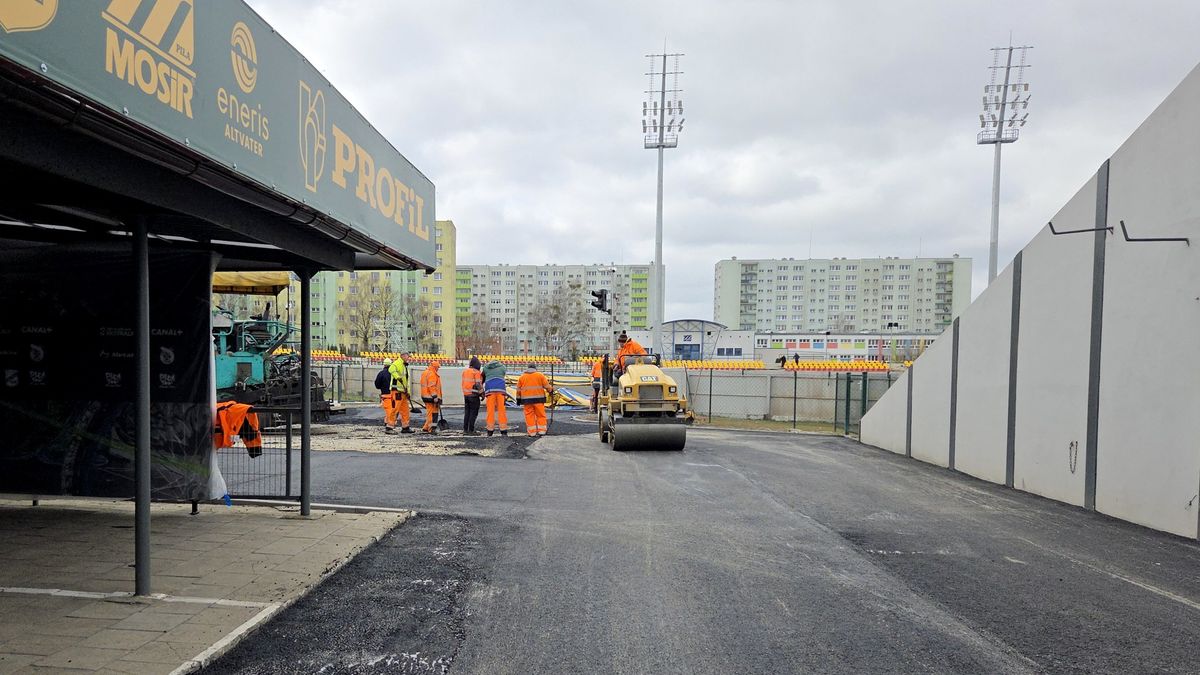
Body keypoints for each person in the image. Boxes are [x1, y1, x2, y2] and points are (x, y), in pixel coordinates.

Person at [516, 363, 554, 437]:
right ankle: (542, 431)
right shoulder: (540, 375)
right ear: (535, 368)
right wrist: (551, 390)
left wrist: (518, 399)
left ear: (527, 368)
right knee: (540, 415)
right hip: (539, 399)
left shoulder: (522, 377)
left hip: (527, 400)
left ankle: (532, 432)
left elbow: (518, 390)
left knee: (529, 415)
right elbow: (547, 386)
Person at [481, 358, 509, 437]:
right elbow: (503, 374)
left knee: (490, 410)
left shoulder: (486, 368)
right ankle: (503, 430)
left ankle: (490, 430)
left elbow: (482, 378)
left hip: (490, 390)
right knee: (501, 410)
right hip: (500, 389)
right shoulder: (502, 367)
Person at [388, 353, 414, 434]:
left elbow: (406, 381)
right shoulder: (397, 363)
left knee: (405, 410)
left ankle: (405, 427)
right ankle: (389, 427)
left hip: (403, 392)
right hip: (397, 391)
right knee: (395, 409)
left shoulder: (404, 366)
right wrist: (397, 377)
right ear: (402, 356)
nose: (408, 358)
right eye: (407, 356)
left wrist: (408, 392)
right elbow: (391, 369)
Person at [461, 356, 484, 435]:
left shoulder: (465, 371)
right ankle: (471, 430)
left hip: (466, 395)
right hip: (473, 396)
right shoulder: (476, 372)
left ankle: (465, 429)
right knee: (473, 413)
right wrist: (482, 393)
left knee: (467, 413)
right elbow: (478, 384)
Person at [419, 360, 443, 434]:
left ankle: (427, 427)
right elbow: (431, 386)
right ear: (435, 367)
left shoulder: (425, 372)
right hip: (431, 397)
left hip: (426, 396)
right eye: (437, 367)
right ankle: (431, 428)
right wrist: (435, 396)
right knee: (431, 414)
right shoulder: (432, 374)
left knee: (432, 412)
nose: (438, 369)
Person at [375, 359, 397, 434]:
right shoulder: (394, 373)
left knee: (389, 411)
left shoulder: (381, 373)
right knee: (392, 410)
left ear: (384, 365)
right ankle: (389, 424)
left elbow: (377, 385)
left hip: (385, 395)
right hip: (394, 395)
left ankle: (388, 424)